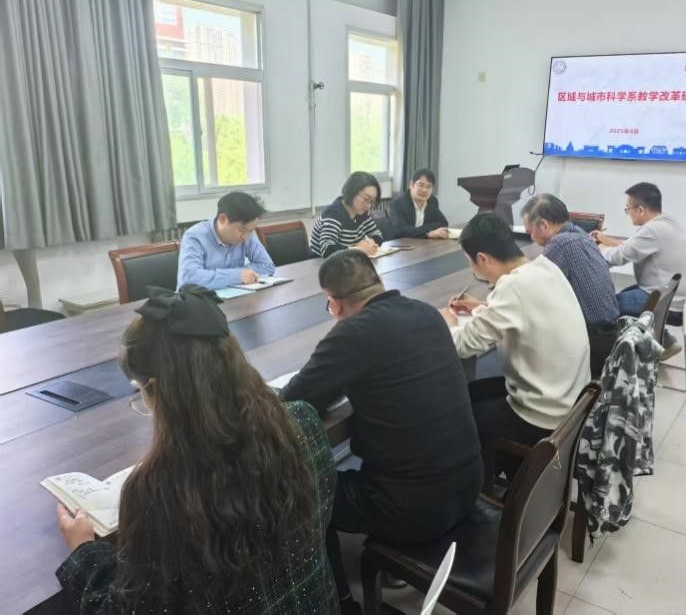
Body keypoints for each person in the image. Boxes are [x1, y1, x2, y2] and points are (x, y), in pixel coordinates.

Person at [54, 286, 337, 613]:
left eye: (140, 391)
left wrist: (84, 551)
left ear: (156, 390)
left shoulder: (160, 492)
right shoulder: (302, 421)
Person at [281, 250, 483, 614]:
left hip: (412, 510)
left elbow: (295, 399)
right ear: (377, 281)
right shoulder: (427, 314)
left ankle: (340, 601)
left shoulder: (352, 333)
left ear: (335, 304)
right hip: (468, 485)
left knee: (302, 495)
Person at [441, 214, 590, 492]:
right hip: (569, 401)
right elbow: (523, 313)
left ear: (482, 259)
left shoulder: (512, 287)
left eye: (470, 262)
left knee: (462, 417)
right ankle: (501, 469)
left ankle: (478, 495)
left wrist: (447, 323)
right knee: (471, 394)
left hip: (541, 414)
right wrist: (482, 308)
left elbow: (462, 345)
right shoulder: (544, 267)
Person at [593, 182, 686, 359]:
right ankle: (665, 341)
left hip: (665, 302)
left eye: (628, 209)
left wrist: (595, 248)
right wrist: (606, 240)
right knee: (622, 295)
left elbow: (618, 257)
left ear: (641, 210)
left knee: (607, 306)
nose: (628, 213)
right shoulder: (667, 223)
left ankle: (610, 356)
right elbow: (632, 246)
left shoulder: (652, 230)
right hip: (680, 299)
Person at [521, 194, 620, 379]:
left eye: (530, 231)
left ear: (543, 225)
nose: (531, 236)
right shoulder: (579, 233)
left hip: (592, 344)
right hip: (609, 335)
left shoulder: (560, 243)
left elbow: (530, 287)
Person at [177, 191, 275, 290]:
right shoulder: (195, 236)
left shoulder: (247, 233)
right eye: (242, 230)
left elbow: (267, 266)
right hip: (199, 298)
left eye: (250, 231)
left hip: (235, 296)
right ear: (222, 219)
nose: (245, 237)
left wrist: (243, 274)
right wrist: (236, 276)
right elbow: (189, 279)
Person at [310, 172, 385, 258]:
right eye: (366, 199)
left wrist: (370, 243)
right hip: (320, 263)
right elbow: (327, 249)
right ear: (352, 192)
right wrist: (358, 249)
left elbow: (378, 235)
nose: (368, 206)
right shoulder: (333, 214)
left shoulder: (362, 213)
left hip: (348, 261)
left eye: (372, 201)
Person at [389, 168, 450, 239]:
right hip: (402, 244)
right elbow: (401, 231)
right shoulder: (399, 204)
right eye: (421, 185)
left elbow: (443, 223)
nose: (424, 190)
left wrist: (420, 231)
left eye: (429, 187)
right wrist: (427, 234)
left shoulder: (432, 201)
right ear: (411, 185)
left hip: (423, 243)